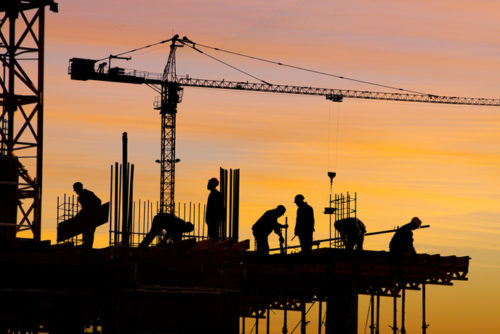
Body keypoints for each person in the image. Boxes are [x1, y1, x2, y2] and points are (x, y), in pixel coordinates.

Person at [73, 182, 101, 249]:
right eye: (75, 190)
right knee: (86, 233)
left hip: (91, 217)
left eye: (76, 190)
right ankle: (87, 247)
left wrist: (92, 210)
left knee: (89, 233)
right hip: (86, 218)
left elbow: (98, 201)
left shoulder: (88, 194)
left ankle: (88, 247)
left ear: (80, 188)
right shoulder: (81, 197)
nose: (76, 192)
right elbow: (84, 208)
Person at [205, 177, 225, 242]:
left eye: (209, 183)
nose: (207, 185)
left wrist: (210, 219)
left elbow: (218, 208)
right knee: (213, 236)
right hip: (212, 219)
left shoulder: (216, 194)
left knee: (213, 236)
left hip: (213, 219)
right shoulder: (214, 194)